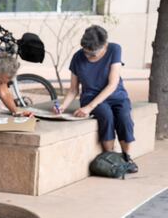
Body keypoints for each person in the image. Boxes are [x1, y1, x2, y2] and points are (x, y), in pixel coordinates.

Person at [55, 25, 138, 173]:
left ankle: (127, 158)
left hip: (116, 95)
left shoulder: (114, 49)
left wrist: (89, 108)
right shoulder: (77, 57)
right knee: (106, 116)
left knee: (124, 117)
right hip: (90, 97)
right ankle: (111, 159)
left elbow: (113, 84)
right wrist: (63, 106)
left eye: (93, 54)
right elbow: (73, 90)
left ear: (105, 45)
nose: (88, 57)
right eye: (86, 53)